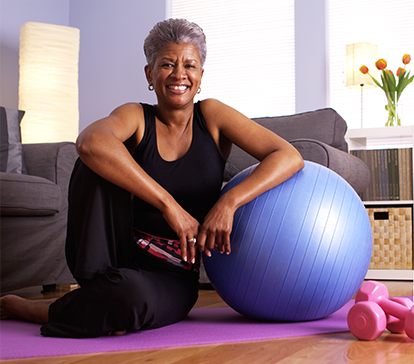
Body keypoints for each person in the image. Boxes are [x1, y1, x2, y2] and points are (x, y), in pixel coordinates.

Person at [0, 18, 304, 337]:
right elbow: (90, 142)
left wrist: (228, 202)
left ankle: (45, 308)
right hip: (112, 256)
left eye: (189, 65)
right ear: (150, 74)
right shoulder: (136, 116)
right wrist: (169, 206)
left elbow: (288, 156)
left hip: (172, 274)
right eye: (167, 64)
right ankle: (92, 293)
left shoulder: (213, 116)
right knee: (96, 159)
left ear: (201, 76)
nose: (178, 74)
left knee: (130, 299)